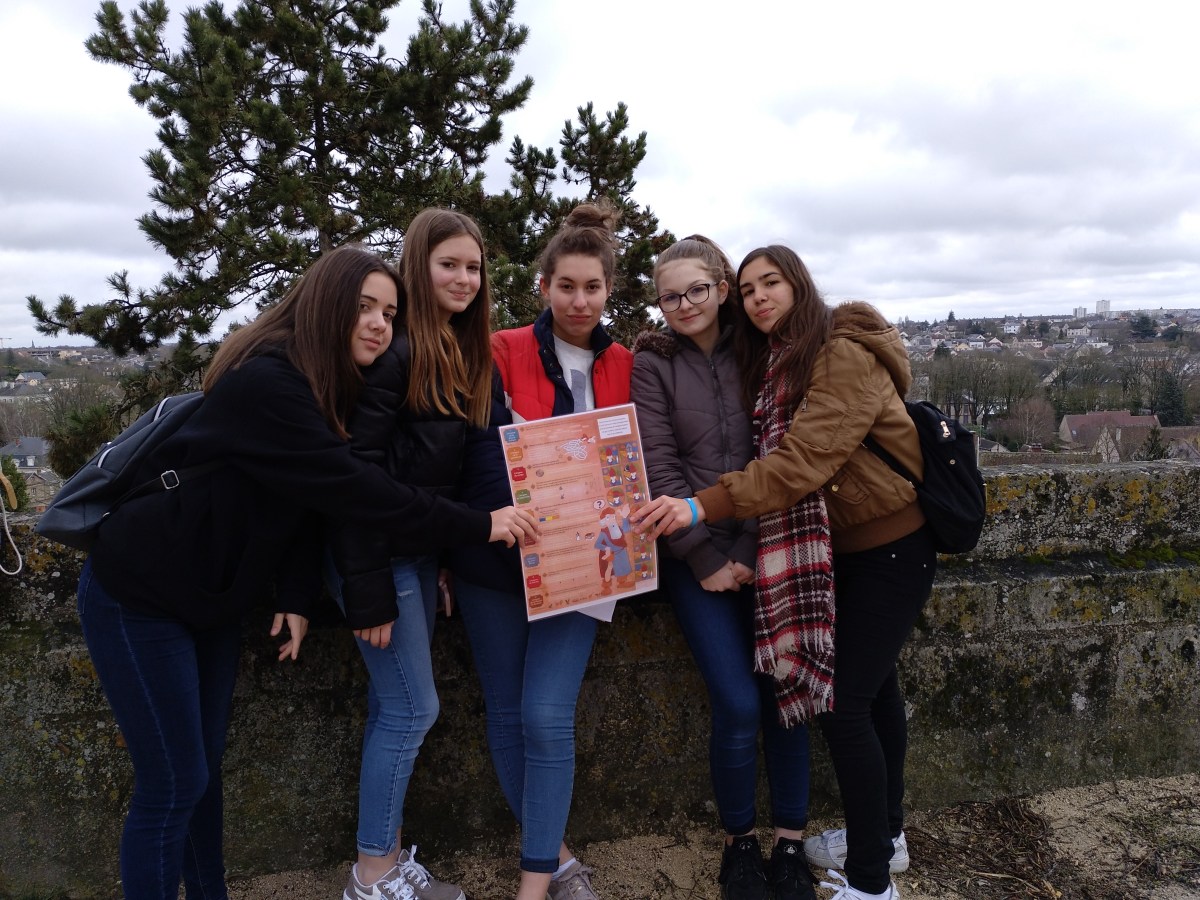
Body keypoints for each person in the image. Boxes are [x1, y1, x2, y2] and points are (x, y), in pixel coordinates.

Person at [76, 244, 537, 900]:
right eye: (364, 308)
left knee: (200, 773)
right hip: (138, 593)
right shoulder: (270, 380)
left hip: (210, 600)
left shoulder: (326, 386)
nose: (379, 324)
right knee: (172, 783)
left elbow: (299, 500)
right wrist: (479, 524)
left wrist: (295, 593)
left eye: (390, 313)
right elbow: (353, 488)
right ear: (324, 305)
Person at [634, 245, 935, 900]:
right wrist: (704, 549)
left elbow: (797, 463)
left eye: (769, 283)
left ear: (796, 284)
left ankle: (867, 879)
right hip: (830, 551)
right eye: (750, 289)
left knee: (839, 706)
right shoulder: (771, 356)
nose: (759, 297)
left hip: (880, 546)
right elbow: (662, 457)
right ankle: (881, 840)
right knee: (874, 696)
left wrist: (712, 516)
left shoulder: (832, 352)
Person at [449, 201, 634, 900]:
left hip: (586, 563)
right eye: (566, 286)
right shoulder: (500, 349)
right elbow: (470, 453)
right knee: (505, 713)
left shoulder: (628, 363)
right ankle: (554, 859)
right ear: (544, 286)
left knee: (544, 716)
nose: (579, 301)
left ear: (609, 289)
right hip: (496, 559)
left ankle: (533, 885)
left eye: (592, 287)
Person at [328, 210, 510, 900]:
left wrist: (443, 560)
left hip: (415, 554)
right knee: (412, 710)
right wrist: (368, 586)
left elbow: (440, 476)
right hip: (381, 558)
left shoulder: (458, 350)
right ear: (417, 267)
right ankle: (372, 873)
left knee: (394, 707)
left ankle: (387, 858)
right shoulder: (398, 353)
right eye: (448, 265)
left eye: (474, 267)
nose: (464, 279)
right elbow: (356, 479)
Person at [629, 235, 815, 900]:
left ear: (721, 288)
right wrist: (707, 556)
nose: (684, 304)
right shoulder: (653, 364)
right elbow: (657, 464)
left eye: (697, 290)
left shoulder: (760, 348)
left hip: (769, 546)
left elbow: (782, 452)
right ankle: (739, 844)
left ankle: (790, 843)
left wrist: (746, 550)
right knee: (736, 704)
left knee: (786, 696)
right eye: (670, 296)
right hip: (694, 557)